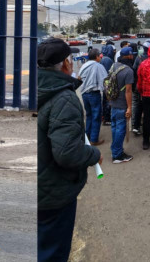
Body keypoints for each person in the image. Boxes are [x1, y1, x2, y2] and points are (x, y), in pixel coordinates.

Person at [37, 38, 102, 262]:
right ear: (66, 63)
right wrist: (94, 155)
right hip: (53, 193)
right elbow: (67, 152)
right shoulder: (64, 98)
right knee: (53, 252)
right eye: (71, 59)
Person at [107, 47, 135, 163]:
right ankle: (117, 155)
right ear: (129, 56)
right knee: (120, 130)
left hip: (113, 102)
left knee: (114, 128)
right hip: (122, 104)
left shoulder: (114, 65)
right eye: (132, 55)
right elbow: (128, 91)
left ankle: (115, 149)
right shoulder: (128, 71)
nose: (133, 56)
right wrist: (129, 107)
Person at [77, 48, 107, 146]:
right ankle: (94, 139)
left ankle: (87, 137)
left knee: (89, 115)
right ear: (97, 57)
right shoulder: (98, 66)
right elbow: (104, 81)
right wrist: (107, 94)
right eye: (99, 56)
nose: (100, 58)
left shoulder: (84, 65)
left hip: (84, 93)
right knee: (96, 117)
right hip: (93, 94)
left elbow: (79, 78)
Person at [131, 40, 150, 135]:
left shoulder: (139, 57)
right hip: (149, 87)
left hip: (139, 85)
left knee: (138, 106)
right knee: (149, 108)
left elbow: (134, 69)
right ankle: (149, 128)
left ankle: (136, 126)